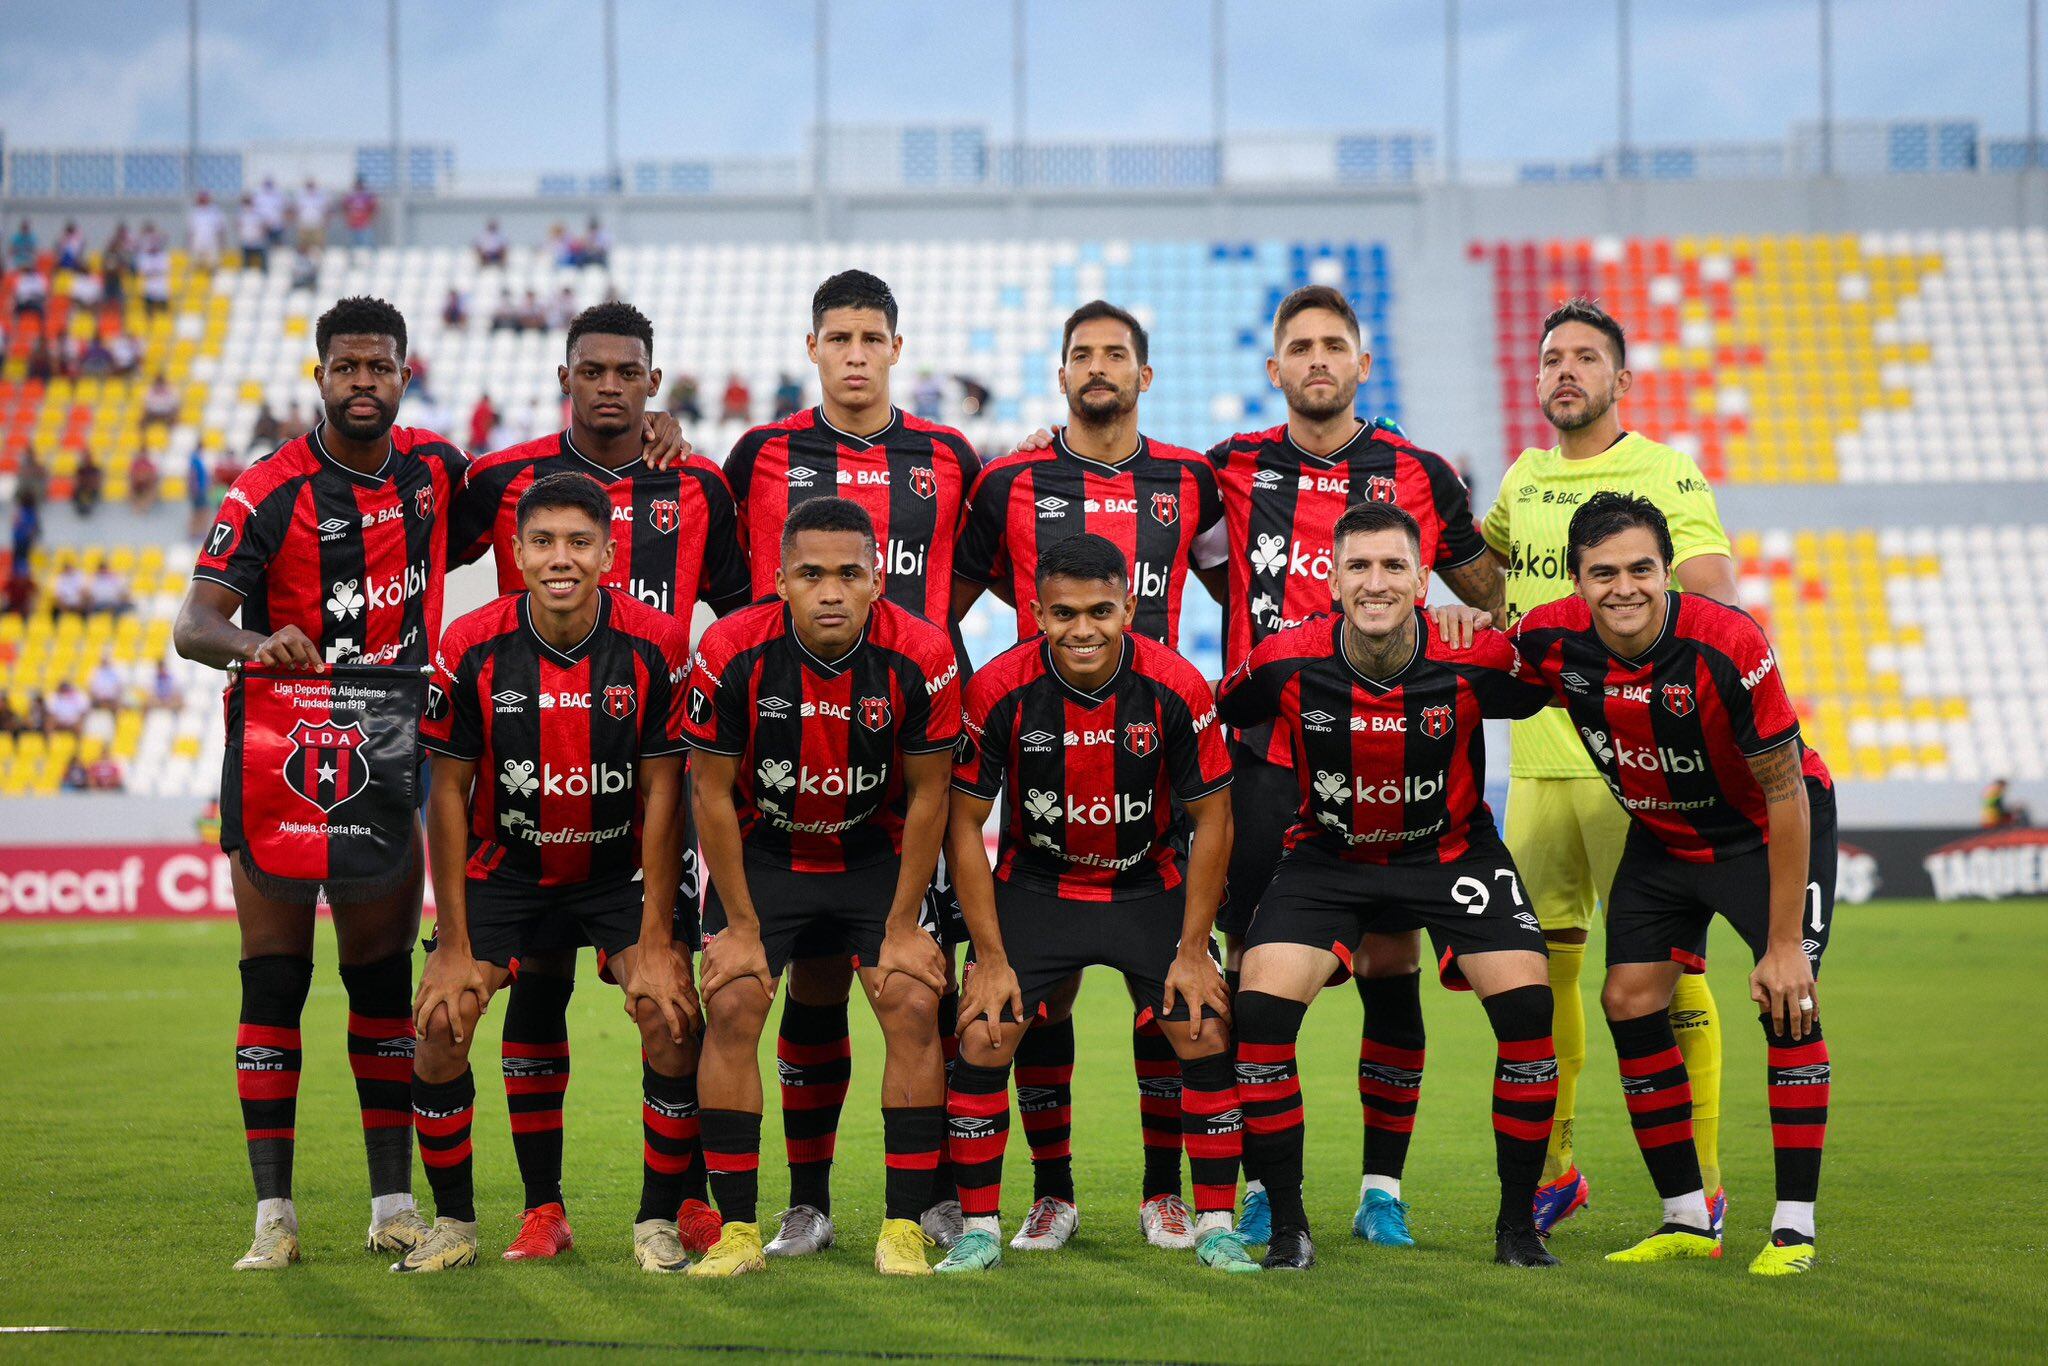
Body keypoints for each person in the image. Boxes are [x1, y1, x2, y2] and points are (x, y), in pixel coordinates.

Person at [1189, 284, 1504, 1244]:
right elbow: (1159, 527)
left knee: (1388, 961)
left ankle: (1382, 1192)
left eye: (1334, 344)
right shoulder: (1228, 466)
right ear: (1274, 368)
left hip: (1390, 762)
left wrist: (1468, 615)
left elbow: (1488, 591)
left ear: (1363, 364)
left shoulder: (1420, 471)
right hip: (1265, 761)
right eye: (1301, 346)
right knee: (1253, 972)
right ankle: (1258, 1186)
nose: (1317, 359)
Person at [446, 301, 752, 1262]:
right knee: (533, 999)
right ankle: (540, 1210)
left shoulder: (697, 482)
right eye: (593, 371)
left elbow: (745, 611)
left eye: (628, 372)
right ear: (565, 378)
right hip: (525, 799)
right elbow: (412, 552)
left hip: (643, 800)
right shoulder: (499, 479)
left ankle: (683, 1201)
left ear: (653, 383)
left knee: (673, 1004)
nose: (610, 386)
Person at [173, 296, 468, 1272]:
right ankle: (274, 1217)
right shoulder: (268, 491)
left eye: (379, 366)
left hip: (386, 752)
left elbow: (538, 489)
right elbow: (194, 626)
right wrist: (262, 643)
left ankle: (393, 1205)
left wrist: (654, 435)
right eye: (346, 367)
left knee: (379, 982)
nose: (363, 382)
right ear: (320, 377)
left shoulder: (435, 471)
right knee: (275, 977)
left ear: (404, 375)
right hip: (279, 756)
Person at [1218, 500, 1559, 1271]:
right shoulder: (1284, 659)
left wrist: (1491, 620)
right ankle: (1288, 1227)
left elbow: (1550, 682)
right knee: (1261, 1013)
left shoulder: (1474, 656)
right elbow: (1216, 713)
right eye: (1360, 567)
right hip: (1328, 859)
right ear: (1333, 581)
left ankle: (1517, 1231)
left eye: (1394, 566)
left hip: (1452, 854)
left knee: (1527, 1011)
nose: (1376, 582)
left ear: (1422, 580)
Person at [952, 299, 1225, 1247]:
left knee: (1177, 1007)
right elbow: (949, 594)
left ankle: (1167, 1192)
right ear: (1061, 373)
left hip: (1155, 770)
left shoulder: (1193, 478)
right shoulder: (1010, 479)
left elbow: (1244, 582)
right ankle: (1052, 1194)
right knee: (1036, 1004)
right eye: (1082, 354)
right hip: (1046, 779)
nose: (1098, 367)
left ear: (1145, 376)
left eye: (1116, 354)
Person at [721, 271, 982, 1256]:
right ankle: (805, 1202)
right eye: (840, 337)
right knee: (811, 989)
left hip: (904, 753)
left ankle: (936, 1195)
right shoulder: (758, 454)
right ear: (813, 348)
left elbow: (978, 572)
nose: (857, 353)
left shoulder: (949, 457)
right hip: (783, 756)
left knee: (922, 981)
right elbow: (727, 575)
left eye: (873, 337)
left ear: (896, 349)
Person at [1512, 492, 1835, 1276]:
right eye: (1603, 574)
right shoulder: (1549, 637)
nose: (1624, 588)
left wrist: (1785, 945)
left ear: (1667, 572)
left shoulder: (1730, 642)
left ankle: (1794, 1229)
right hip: (1661, 838)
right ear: (1577, 580)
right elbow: (1483, 673)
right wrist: (1456, 621)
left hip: (1761, 836)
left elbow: (1787, 790)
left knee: (1787, 1000)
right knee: (1628, 1000)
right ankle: (1687, 1217)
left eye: (1641, 569)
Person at [1479, 298, 1741, 1238]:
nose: (1566, 370)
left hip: (1638, 768)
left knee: (1666, 975)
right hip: (1538, 765)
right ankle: (1556, 1171)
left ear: (1621, 380)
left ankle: (1703, 1181)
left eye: (1586, 357)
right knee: (1535, 975)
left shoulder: (1665, 472)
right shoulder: (1524, 476)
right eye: (1552, 357)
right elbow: (1486, 578)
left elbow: (1713, 600)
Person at [937, 534, 1257, 1275]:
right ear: (1037, 614)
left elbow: (1214, 817)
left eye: (1100, 612)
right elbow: (963, 822)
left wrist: (1194, 950)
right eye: (1065, 614)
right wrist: (990, 958)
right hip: (1038, 886)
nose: (1083, 629)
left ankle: (1210, 1222)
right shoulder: (999, 688)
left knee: (1203, 1024)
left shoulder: (1175, 685)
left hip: (1147, 885)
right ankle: (997, 1223)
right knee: (986, 1031)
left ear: (1129, 608)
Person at [405, 471, 699, 1274]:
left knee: (669, 1014)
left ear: (609, 553)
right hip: (507, 868)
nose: (559, 558)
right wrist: (452, 943)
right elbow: (447, 792)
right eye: (542, 542)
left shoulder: (657, 643)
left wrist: (657, 940)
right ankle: (457, 1223)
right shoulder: (470, 643)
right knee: (439, 1023)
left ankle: (657, 1220)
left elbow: (664, 792)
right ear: (517, 551)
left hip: (617, 868)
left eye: (578, 542)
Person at [681, 496, 961, 1279]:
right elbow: (708, 791)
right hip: (766, 856)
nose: (830, 591)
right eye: (810, 574)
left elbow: (931, 794)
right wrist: (741, 927)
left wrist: (902, 927)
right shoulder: (731, 649)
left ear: (878, 579)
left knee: (912, 1000)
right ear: (779, 581)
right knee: (733, 1001)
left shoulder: (922, 651)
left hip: (874, 856)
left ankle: (902, 1229)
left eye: (848, 574)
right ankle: (741, 1231)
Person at [188, 192, 226, 270]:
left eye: (204, 198)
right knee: (196, 265)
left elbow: (221, 230)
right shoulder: (194, 212)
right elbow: (191, 231)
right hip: (197, 243)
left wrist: (222, 243)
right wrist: (189, 244)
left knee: (213, 265)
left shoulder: (215, 212)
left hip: (212, 243)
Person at [341, 178, 378, 248]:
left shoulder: (367, 196)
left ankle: (372, 253)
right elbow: (344, 207)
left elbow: (373, 208)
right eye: (357, 185)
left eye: (360, 185)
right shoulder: (350, 196)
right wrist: (347, 218)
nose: (359, 187)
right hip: (353, 222)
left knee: (368, 242)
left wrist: (371, 218)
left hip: (365, 223)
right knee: (351, 243)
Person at [294, 180, 329, 251]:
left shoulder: (321, 197)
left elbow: (326, 211)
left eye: (312, 186)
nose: (310, 188)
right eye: (309, 186)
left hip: (317, 224)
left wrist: (326, 221)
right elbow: (296, 210)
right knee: (303, 245)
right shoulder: (300, 197)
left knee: (318, 244)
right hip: (304, 224)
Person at [237, 195, 269, 272]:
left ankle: (264, 274)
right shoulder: (241, 214)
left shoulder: (258, 214)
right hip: (246, 242)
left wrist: (258, 237)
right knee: (245, 265)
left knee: (263, 264)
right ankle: (245, 275)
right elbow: (239, 228)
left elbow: (263, 228)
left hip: (257, 243)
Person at [253, 179, 288, 246]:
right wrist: (263, 223)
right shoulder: (259, 197)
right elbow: (256, 212)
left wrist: (284, 222)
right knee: (266, 246)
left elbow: (284, 210)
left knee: (278, 245)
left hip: (277, 225)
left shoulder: (279, 195)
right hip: (264, 226)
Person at [72, 448, 103, 518]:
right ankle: (82, 507)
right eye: (85, 457)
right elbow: (77, 480)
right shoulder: (80, 469)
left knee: (90, 493)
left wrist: (89, 484)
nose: (87, 459)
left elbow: (97, 481)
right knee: (79, 493)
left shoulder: (95, 469)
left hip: (92, 490)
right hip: (83, 489)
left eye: (88, 457)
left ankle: (87, 506)